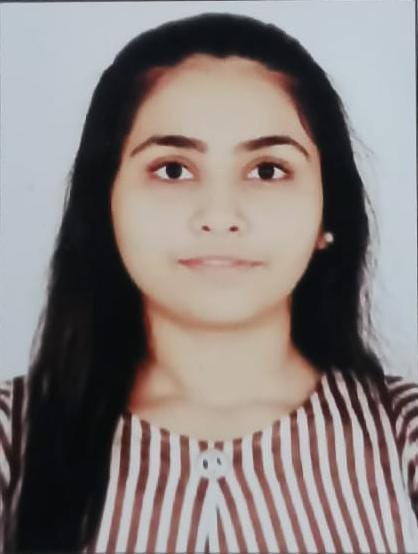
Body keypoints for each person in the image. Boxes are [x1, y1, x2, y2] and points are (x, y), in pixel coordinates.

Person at [0, 12, 417, 554]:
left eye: (267, 170)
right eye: (173, 169)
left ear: (327, 214)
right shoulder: (14, 434)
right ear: (104, 206)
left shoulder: (403, 431)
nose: (220, 216)